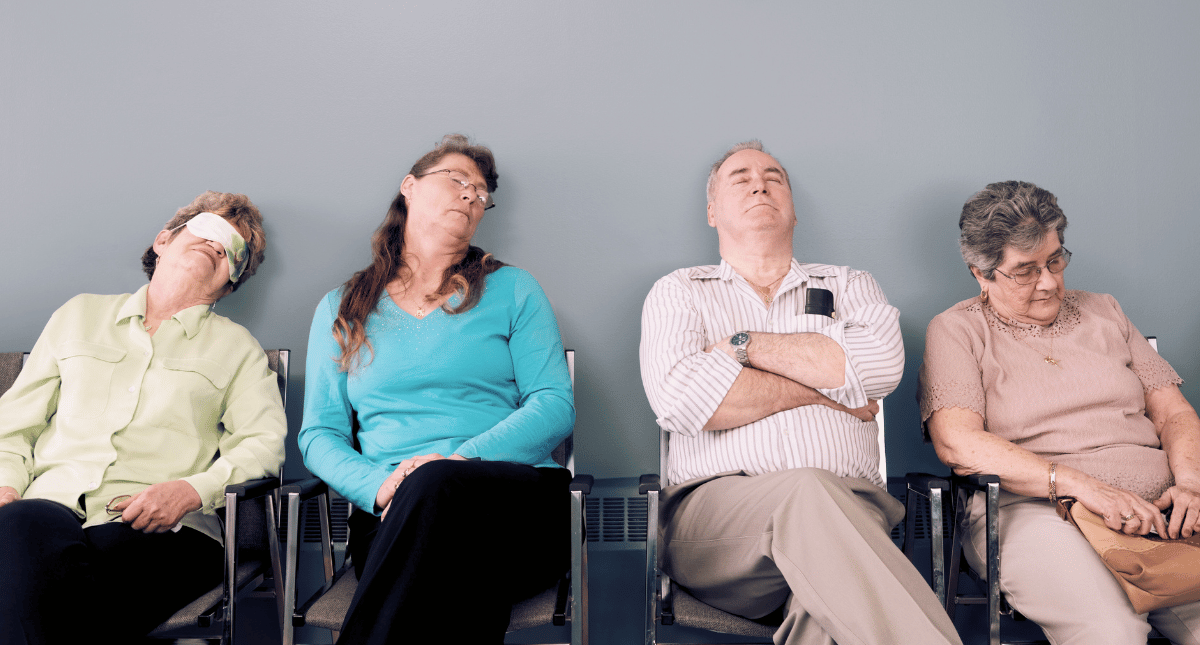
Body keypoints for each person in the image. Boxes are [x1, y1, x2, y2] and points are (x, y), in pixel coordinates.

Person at [640, 140, 962, 645]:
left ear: (792, 209)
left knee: (825, 606)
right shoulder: (680, 291)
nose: (759, 182)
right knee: (806, 491)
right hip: (715, 523)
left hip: (855, 507)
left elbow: (879, 369)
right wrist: (825, 389)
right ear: (711, 211)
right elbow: (681, 401)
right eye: (739, 176)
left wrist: (740, 348)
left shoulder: (851, 284)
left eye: (774, 176)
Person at [299, 134, 575, 644]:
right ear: (409, 187)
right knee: (451, 557)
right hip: (394, 514)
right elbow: (319, 434)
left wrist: (457, 463)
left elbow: (554, 404)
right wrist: (378, 487)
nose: (471, 196)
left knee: (437, 494)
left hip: (511, 501)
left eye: (481, 193)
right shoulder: (342, 307)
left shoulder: (514, 289)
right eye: (457, 181)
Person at [0, 191, 287, 645]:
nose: (217, 246)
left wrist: (192, 490)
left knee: (33, 584)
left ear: (230, 285)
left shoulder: (238, 349)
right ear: (162, 242)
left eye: (233, 252)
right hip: (48, 511)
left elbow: (262, 444)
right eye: (208, 231)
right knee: (18, 530)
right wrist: (6, 483)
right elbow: (13, 425)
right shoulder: (78, 315)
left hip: (164, 532)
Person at [919, 180, 1200, 643]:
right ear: (981, 274)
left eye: (1054, 260)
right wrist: (1086, 488)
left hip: (1161, 513)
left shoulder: (1104, 310)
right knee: (1111, 631)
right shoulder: (956, 330)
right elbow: (958, 441)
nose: (1049, 281)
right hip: (1035, 514)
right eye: (1025, 271)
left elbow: (1173, 413)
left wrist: (1189, 483)